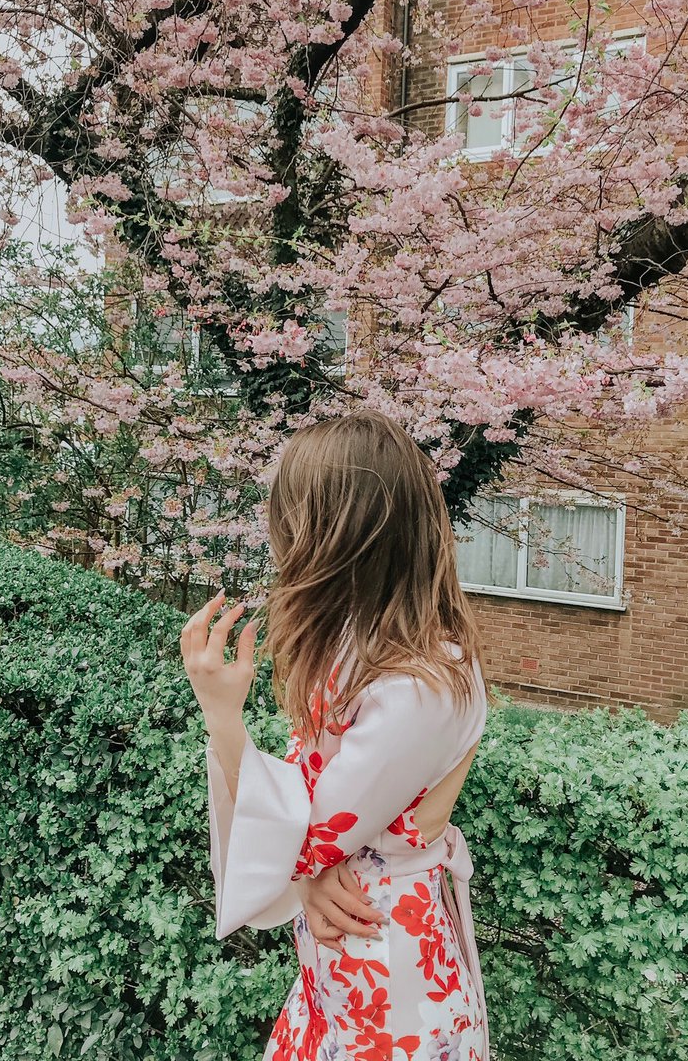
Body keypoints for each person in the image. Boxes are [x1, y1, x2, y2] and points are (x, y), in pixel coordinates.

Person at [181, 409, 491, 1061]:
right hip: (349, 950)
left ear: (338, 534)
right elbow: (306, 827)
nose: (283, 538)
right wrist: (310, 868)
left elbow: (308, 830)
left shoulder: (421, 683)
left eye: (294, 518)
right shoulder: (375, 653)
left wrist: (221, 715)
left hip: (382, 964)